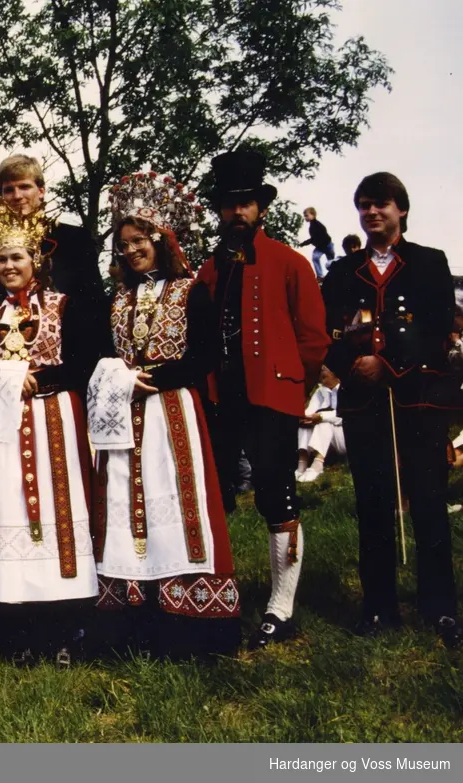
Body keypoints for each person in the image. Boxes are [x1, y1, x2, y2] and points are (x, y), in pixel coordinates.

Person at [88, 175, 239, 657]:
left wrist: (158, 378)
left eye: (140, 241)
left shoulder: (190, 290)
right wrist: (123, 380)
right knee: (126, 505)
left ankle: (190, 621)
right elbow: (103, 357)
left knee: (176, 501)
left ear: (161, 240)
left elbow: (206, 355)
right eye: (123, 244)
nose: (132, 251)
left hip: (174, 412)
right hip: (126, 413)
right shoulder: (117, 300)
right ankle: (133, 618)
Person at [0, 204, 100, 667]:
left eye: (17, 258)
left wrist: (40, 379)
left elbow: (83, 362)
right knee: (7, 511)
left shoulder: (61, 306)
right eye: (1, 260)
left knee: (56, 514)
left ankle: (63, 627)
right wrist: (8, 375)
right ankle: (17, 631)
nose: (9, 267)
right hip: (1, 427)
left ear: (35, 260)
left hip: (52, 418)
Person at [321, 172, 461, 648]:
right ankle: (378, 608)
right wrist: (351, 364)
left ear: (401, 209)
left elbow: (439, 325)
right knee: (373, 504)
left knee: (427, 503)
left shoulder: (428, 263)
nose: (371, 213)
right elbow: (326, 334)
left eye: (380, 204)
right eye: (363, 205)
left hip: (419, 400)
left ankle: (440, 608)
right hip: (364, 405)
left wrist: (388, 363)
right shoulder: (343, 272)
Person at [196, 149, 329, 650]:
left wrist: (291, 386)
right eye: (229, 205)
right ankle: (214, 596)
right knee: (219, 497)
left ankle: (281, 607)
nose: (238, 213)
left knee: (277, 496)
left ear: (261, 209)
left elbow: (313, 339)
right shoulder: (209, 270)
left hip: (272, 397)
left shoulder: (290, 262)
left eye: (246, 204)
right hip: (220, 398)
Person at [0, 155, 109, 355]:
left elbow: (93, 304)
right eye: (9, 189)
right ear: (1, 198)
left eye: (24, 187)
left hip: (67, 351)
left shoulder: (74, 240)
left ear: (41, 191)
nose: (17, 196)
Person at [295, 366, 346, 483]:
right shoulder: (320, 391)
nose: (322, 369)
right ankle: (302, 464)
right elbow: (310, 411)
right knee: (306, 423)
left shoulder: (345, 389)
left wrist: (321, 417)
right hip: (328, 442)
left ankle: (317, 465)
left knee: (323, 422)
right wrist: (303, 417)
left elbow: (343, 416)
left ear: (336, 374)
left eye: (326, 368)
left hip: (346, 437)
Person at [300, 207, 335, 279]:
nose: (305, 217)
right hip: (320, 247)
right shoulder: (311, 227)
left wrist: (304, 243)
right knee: (315, 258)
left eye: (307, 215)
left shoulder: (317, 225)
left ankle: (333, 274)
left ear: (313, 215)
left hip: (327, 245)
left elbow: (315, 238)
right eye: (304, 216)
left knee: (331, 261)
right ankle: (319, 275)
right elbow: (313, 239)